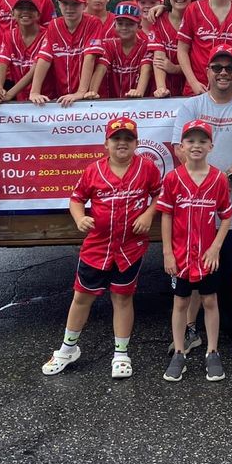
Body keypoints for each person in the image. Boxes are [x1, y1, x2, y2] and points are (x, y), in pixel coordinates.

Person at [41, 117, 162, 378]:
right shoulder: (93, 170)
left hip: (130, 248)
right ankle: (67, 349)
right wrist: (79, 217)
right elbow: (76, 199)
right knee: (82, 297)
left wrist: (149, 214)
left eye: (128, 139)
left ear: (136, 143)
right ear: (106, 143)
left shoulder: (147, 168)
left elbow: (160, 195)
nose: (122, 143)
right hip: (97, 247)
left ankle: (121, 353)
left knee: (122, 297)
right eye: (116, 139)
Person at [174, 46, 232, 359]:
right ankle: (190, 330)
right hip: (196, 213)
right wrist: (205, 183)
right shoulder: (191, 106)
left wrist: (222, 180)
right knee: (195, 271)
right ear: (208, 71)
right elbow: (180, 148)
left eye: (230, 67)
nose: (224, 72)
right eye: (217, 67)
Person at [158, 119, 232, 382]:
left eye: (202, 141)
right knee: (180, 302)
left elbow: (226, 216)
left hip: (206, 256)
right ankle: (179, 351)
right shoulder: (172, 178)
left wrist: (215, 248)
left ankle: (212, 351)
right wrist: (167, 252)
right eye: (190, 141)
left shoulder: (218, 178)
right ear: (181, 146)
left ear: (211, 146)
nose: (196, 146)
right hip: (180, 255)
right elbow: (166, 215)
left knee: (210, 300)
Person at [30, 0, 103, 105]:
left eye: (75, 4)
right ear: (58, 4)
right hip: (61, 93)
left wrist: (81, 92)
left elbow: (90, 57)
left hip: (88, 95)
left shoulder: (93, 22)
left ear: (84, 5)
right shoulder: (54, 25)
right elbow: (44, 58)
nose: (69, 8)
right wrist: (34, 91)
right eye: (65, 3)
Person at [0, 0, 47, 105]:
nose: (25, 11)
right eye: (20, 8)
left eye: (31, 8)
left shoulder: (47, 35)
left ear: (38, 14)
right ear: (12, 13)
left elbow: (34, 71)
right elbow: (2, 65)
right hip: (20, 99)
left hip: (44, 98)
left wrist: (9, 94)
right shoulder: (9, 35)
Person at [88, 2, 151, 99]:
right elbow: (101, 68)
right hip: (111, 105)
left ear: (139, 27)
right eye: (120, 23)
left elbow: (146, 69)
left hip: (138, 105)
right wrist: (92, 92)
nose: (124, 27)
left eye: (130, 24)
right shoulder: (108, 45)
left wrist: (139, 91)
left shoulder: (146, 46)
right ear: (114, 25)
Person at [150, 0, 195, 98]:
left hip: (190, 86)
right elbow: (159, 58)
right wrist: (161, 88)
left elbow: (198, 61)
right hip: (164, 87)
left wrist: (176, 68)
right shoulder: (159, 18)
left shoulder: (197, 18)